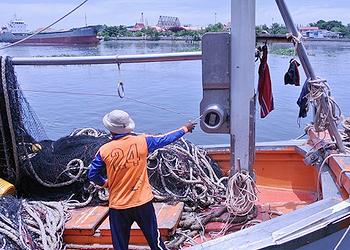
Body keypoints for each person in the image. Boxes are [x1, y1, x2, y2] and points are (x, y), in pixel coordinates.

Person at [88, 109, 196, 250]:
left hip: (118, 207)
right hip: (143, 203)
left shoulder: (104, 150)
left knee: (120, 246)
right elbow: (165, 139)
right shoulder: (143, 141)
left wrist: (105, 183)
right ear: (127, 126)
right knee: (155, 241)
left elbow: (92, 174)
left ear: (110, 128)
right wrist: (185, 129)